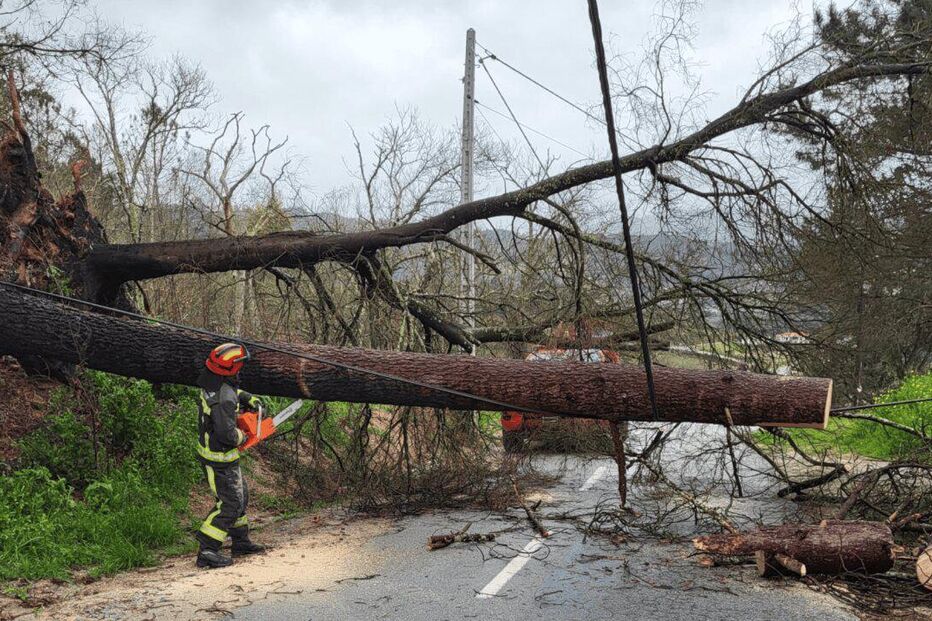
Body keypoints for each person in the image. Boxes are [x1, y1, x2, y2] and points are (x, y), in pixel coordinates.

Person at [195, 342, 267, 569]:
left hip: (223, 456)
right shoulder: (224, 399)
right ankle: (207, 549)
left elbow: (231, 392)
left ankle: (240, 541)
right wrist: (243, 435)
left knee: (240, 496)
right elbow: (227, 434)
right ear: (231, 368)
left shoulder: (211, 381)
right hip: (220, 458)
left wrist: (247, 398)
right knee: (230, 503)